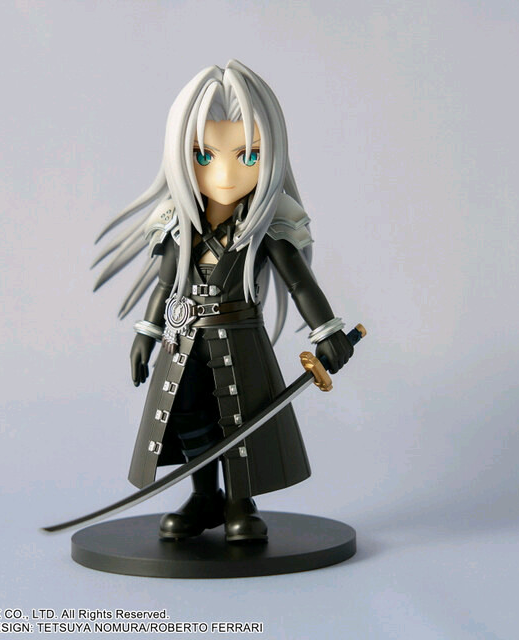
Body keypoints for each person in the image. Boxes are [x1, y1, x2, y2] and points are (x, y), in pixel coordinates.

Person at [93, 60, 353, 542]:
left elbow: (299, 283)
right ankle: (205, 497)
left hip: (239, 337)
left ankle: (239, 501)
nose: (227, 173)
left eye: (248, 155)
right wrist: (146, 334)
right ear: (181, 155)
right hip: (183, 340)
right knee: (188, 412)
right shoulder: (178, 222)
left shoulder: (268, 222)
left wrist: (327, 331)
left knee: (239, 417)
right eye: (205, 155)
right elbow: (164, 285)